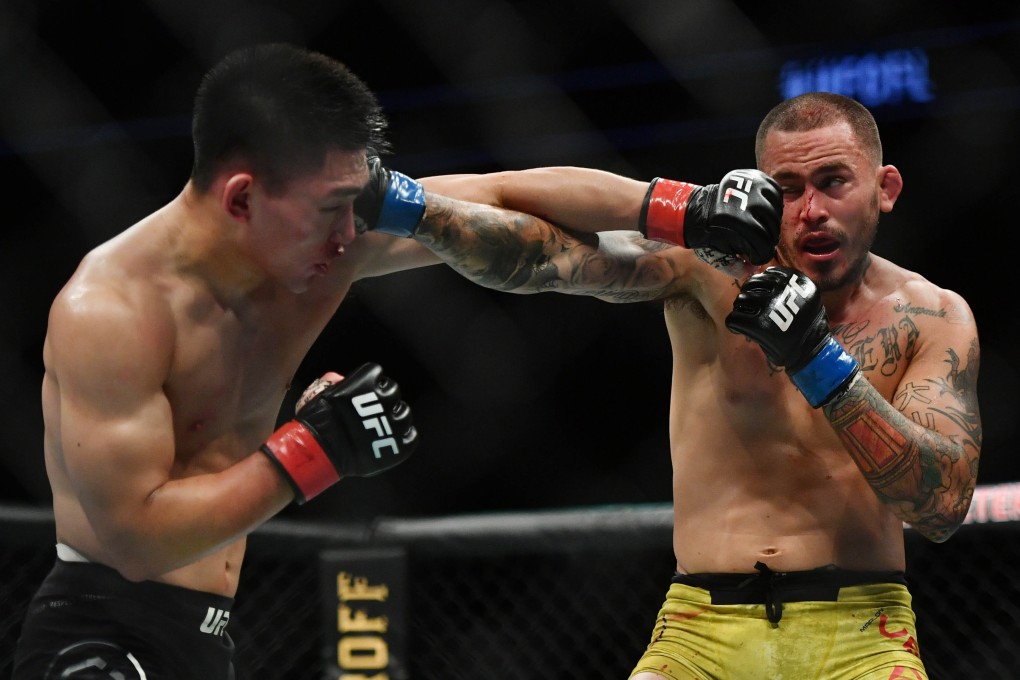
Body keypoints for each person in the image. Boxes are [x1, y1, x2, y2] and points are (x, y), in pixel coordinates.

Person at [353, 92, 981, 679]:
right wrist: (410, 206)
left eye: (833, 182)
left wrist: (818, 360)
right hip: (700, 630)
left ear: (885, 187)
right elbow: (547, 257)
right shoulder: (706, 271)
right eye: (787, 190)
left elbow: (941, 507)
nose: (811, 211)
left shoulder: (930, 315)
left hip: (863, 634)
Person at [11, 44, 425, 679]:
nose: (345, 231)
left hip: (206, 636)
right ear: (243, 198)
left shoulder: (279, 278)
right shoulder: (108, 310)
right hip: (102, 632)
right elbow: (134, 543)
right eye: (326, 209)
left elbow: (500, 196)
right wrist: (315, 449)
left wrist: (637, 215)